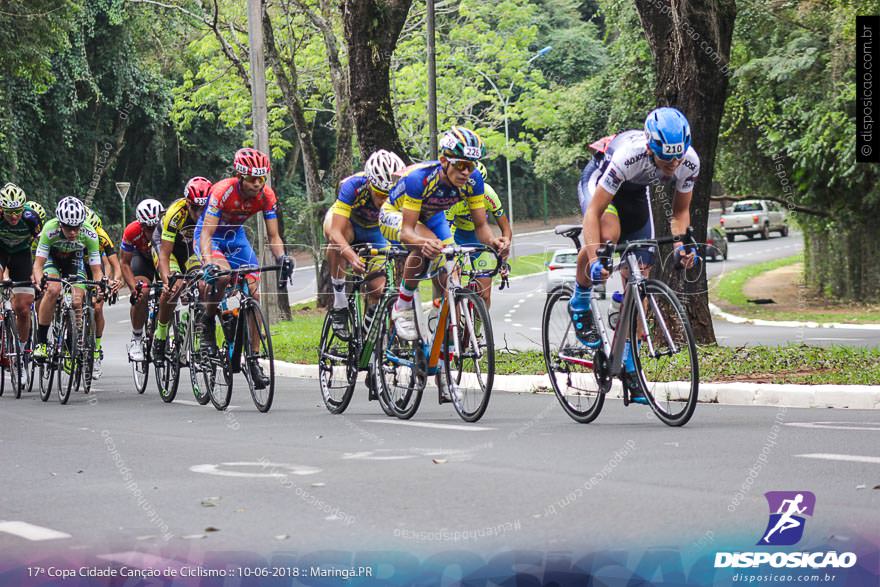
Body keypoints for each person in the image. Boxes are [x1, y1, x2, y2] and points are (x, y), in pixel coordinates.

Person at [570, 107, 700, 403]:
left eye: (677, 157)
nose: (673, 164)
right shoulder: (629, 155)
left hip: (635, 194)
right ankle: (579, 300)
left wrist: (682, 248)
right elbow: (594, 212)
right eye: (666, 159)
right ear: (651, 147)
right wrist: (593, 260)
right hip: (601, 184)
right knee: (609, 235)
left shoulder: (688, 162)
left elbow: (680, 213)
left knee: (640, 278)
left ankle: (630, 366)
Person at [379, 127, 509, 402]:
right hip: (397, 215)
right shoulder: (419, 179)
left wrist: (494, 242)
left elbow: (481, 226)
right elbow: (408, 231)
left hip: (434, 216)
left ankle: (444, 375)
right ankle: (402, 305)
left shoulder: (473, 182)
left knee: (451, 279)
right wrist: (422, 243)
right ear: (444, 161)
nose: (466, 172)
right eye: (460, 165)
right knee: (427, 246)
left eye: (470, 166)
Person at [195, 147, 293, 389]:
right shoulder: (222, 191)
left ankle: (254, 359)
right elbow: (206, 234)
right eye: (252, 179)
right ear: (240, 175)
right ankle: (207, 320)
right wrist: (208, 263)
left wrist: (282, 258)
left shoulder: (267, 195)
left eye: (262, 178)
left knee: (252, 294)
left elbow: (274, 236)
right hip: (213, 237)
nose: (258, 184)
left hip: (236, 238)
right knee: (220, 276)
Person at [323, 149, 405, 339]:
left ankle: (369, 336)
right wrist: (351, 256)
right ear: (369, 183)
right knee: (335, 241)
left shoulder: (403, 189)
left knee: (377, 288)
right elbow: (335, 231)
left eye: (389, 194)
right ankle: (340, 304)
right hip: (347, 223)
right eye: (379, 193)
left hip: (375, 230)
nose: (384, 199)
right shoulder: (352, 185)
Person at [33, 197, 104, 361]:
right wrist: (40, 281)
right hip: (53, 259)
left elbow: (96, 270)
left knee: (77, 300)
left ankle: (70, 344)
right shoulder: (49, 229)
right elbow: (38, 265)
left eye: (76, 227)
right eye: (68, 227)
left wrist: (100, 285)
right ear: (60, 224)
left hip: (75, 260)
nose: (73, 232)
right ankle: (41, 342)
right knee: (53, 290)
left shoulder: (90, 233)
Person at [151, 177, 211, 361]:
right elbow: (164, 254)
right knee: (174, 287)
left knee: (204, 284)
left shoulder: (213, 212)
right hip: (167, 247)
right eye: (194, 208)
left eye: (203, 208)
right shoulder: (175, 214)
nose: (199, 213)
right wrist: (166, 279)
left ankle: (200, 337)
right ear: (187, 203)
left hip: (190, 250)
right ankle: (160, 337)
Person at [444, 161, 512, 308]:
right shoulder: (454, 198)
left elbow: (506, 229)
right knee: (453, 285)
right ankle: (454, 328)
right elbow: (445, 231)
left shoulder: (489, 195)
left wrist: (504, 255)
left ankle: (478, 330)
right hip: (456, 235)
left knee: (485, 294)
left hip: (478, 237)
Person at [0, 184, 43, 365]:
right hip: (1, 251)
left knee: (24, 309)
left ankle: (21, 351)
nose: (14, 216)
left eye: (18, 211)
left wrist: (36, 271)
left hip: (21, 254)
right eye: (10, 212)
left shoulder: (31, 218)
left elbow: (40, 245)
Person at [120, 198, 165, 362]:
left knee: (171, 291)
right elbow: (124, 263)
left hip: (164, 258)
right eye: (148, 228)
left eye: (156, 227)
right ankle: (137, 339)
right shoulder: (132, 231)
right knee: (142, 292)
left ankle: (164, 333)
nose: (152, 231)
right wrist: (134, 289)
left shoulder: (170, 227)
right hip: (143, 260)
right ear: (141, 224)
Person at [82, 207, 122, 378]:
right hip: (77, 265)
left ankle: (96, 349)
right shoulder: (74, 233)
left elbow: (116, 265)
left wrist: (114, 281)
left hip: (94, 267)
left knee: (97, 307)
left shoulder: (102, 235)